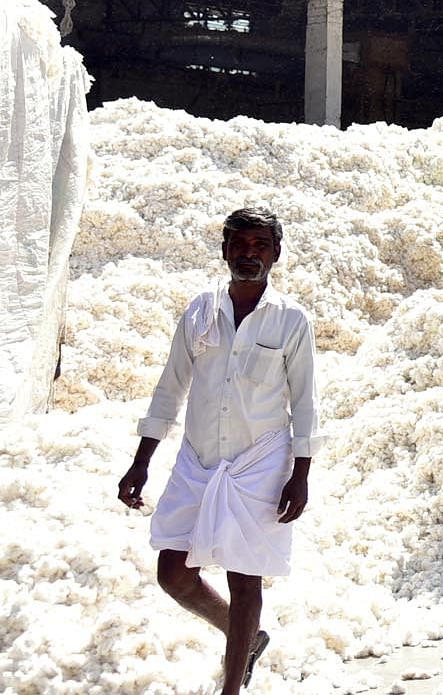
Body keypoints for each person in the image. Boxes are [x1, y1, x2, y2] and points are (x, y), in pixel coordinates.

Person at [117, 207, 319, 693]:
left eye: (260, 246)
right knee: (173, 573)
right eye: (240, 244)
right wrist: (141, 461)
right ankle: (245, 638)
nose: (249, 254)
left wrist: (300, 473)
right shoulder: (199, 311)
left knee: (244, 579)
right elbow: (170, 389)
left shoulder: (292, 320)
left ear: (276, 254)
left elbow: (307, 402)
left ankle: (231, 688)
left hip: (261, 463)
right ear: (225, 248)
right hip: (198, 458)